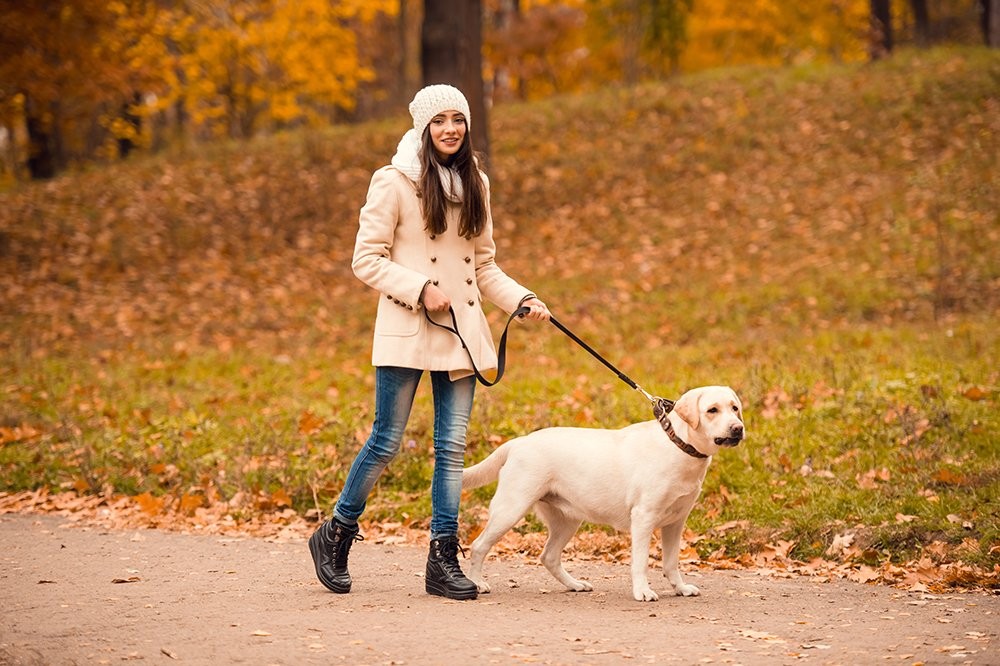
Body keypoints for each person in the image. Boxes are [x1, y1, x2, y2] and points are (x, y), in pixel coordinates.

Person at [308, 84, 550, 601]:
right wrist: (420, 289)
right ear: (423, 127)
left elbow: (483, 264)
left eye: (457, 119)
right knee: (387, 440)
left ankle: (443, 558)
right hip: (408, 327)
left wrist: (521, 299)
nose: (450, 129)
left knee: (453, 448)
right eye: (439, 120)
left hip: (461, 331)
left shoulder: (476, 181)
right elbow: (365, 258)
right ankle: (336, 531)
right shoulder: (393, 182)